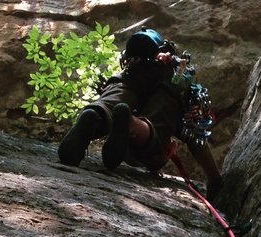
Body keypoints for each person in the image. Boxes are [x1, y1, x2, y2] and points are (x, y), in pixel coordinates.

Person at [58, 27, 223, 200]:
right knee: (155, 131)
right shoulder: (176, 103)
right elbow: (196, 137)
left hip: (131, 72)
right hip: (172, 81)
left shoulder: (133, 66)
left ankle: (95, 113)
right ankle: (131, 123)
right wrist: (215, 179)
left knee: (110, 102)